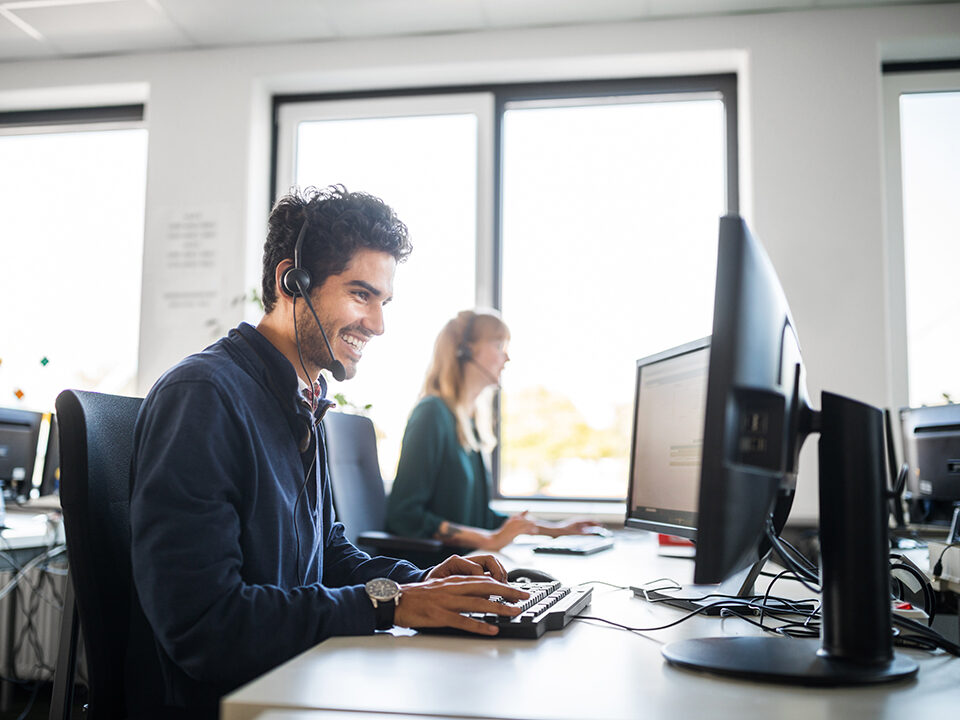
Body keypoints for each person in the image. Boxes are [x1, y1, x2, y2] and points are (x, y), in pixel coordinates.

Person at [129, 186, 528, 718]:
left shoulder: (301, 401)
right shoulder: (205, 397)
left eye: (383, 301)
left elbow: (329, 555)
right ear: (289, 282)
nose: (379, 324)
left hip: (304, 678)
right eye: (361, 294)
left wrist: (419, 582)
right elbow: (207, 626)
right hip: (243, 702)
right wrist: (396, 605)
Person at [386, 310, 598, 552]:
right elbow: (405, 515)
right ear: (465, 351)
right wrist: (488, 541)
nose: (506, 357)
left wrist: (557, 530)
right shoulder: (432, 414)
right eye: (498, 345)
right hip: (435, 571)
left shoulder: (467, 422)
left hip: (469, 563)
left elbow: (479, 518)